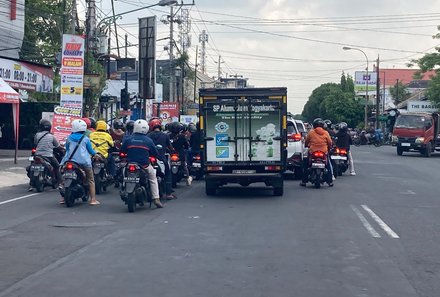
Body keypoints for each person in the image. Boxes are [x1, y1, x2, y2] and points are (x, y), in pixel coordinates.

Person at [121, 119, 163, 208]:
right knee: (152, 177)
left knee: (123, 174)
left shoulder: (128, 139)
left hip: (129, 164)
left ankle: (123, 187)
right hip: (144, 165)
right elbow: (155, 153)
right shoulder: (148, 140)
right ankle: (156, 199)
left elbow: (122, 151)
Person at [60, 119, 100, 205]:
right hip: (84, 162)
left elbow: (67, 149)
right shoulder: (85, 139)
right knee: (91, 180)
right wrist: (96, 154)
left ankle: (63, 198)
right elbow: (91, 151)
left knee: (64, 177)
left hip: (70, 161)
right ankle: (93, 199)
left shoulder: (69, 138)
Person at [29, 119, 62, 190]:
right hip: (48, 155)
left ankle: (31, 185)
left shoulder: (37, 135)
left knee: (32, 165)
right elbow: (58, 146)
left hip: (37, 155)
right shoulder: (52, 136)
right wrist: (63, 148)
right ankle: (60, 184)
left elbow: (35, 143)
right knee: (57, 166)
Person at [147, 118, 176, 200]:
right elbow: (170, 147)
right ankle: (168, 193)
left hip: (149, 159)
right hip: (161, 159)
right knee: (167, 173)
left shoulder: (148, 136)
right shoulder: (165, 136)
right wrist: (172, 150)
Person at [301, 118, 333, 187]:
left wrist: (307, 145)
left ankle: (304, 181)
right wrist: (329, 148)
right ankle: (330, 181)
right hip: (324, 151)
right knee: (328, 166)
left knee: (306, 164)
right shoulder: (326, 133)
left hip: (313, 151)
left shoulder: (311, 132)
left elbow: (307, 141)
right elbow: (330, 142)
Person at [168, 121, 192, 186]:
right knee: (184, 165)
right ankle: (187, 178)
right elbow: (187, 145)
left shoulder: (168, 136)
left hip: (170, 154)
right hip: (180, 154)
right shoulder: (182, 136)